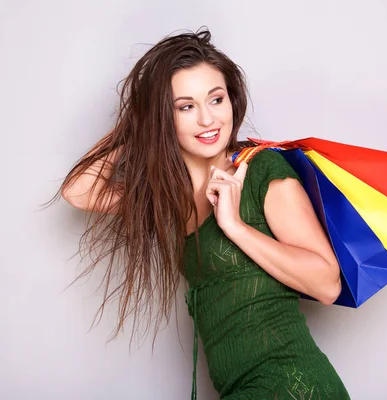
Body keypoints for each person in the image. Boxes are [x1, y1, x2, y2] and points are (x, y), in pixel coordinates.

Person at [56, 28, 351, 399]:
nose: (207, 119)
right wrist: (139, 118)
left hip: (292, 385)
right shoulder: (169, 194)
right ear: (164, 116)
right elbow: (79, 191)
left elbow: (327, 284)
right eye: (186, 106)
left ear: (232, 101)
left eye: (216, 99)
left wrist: (235, 226)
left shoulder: (260, 173)